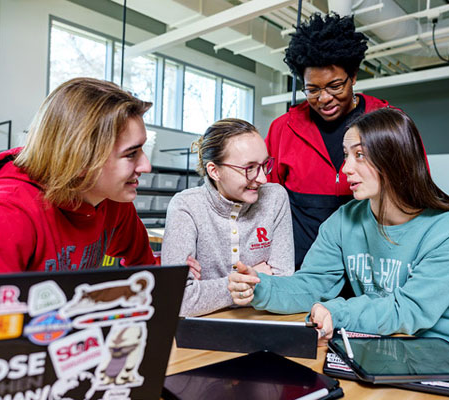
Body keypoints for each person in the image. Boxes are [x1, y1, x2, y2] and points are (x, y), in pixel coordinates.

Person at [228, 108, 449, 342]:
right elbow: (312, 285)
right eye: (346, 155)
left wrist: (337, 313)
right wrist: (259, 286)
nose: (345, 169)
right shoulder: (344, 220)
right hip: (375, 342)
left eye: (360, 155)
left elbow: (407, 310)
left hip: (433, 350)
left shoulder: (441, 231)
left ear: (393, 158)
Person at [266, 13, 393, 269]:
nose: (324, 98)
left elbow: (411, 190)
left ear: (354, 76)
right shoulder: (283, 130)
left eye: (335, 86)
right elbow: (265, 203)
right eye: (312, 89)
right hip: (305, 271)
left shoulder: (388, 124)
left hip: (371, 271)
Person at [0, 77, 156, 273]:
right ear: (81, 159)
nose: (146, 166)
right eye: (131, 154)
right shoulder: (9, 213)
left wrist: (177, 269)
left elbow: (148, 272)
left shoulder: (112, 198)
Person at [161, 118, 294, 317]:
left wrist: (206, 291)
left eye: (265, 164)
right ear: (214, 171)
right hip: (204, 330)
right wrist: (249, 280)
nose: (263, 178)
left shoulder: (275, 197)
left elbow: (285, 285)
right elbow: (177, 299)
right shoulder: (186, 205)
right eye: (249, 168)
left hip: (262, 320)